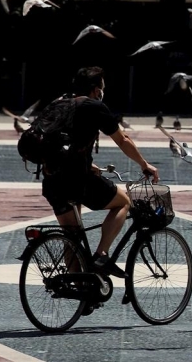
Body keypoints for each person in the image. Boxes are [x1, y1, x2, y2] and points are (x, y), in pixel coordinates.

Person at [41, 66, 159, 278]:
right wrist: (144, 163)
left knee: (72, 235)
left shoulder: (59, 103)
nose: (103, 91)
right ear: (96, 89)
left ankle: (78, 287)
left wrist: (88, 164)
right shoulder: (94, 106)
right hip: (77, 180)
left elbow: (61, 143)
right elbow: (122, 139)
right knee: (124, 202)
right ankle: (101, 254)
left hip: (52, 180)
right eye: (102, 87)